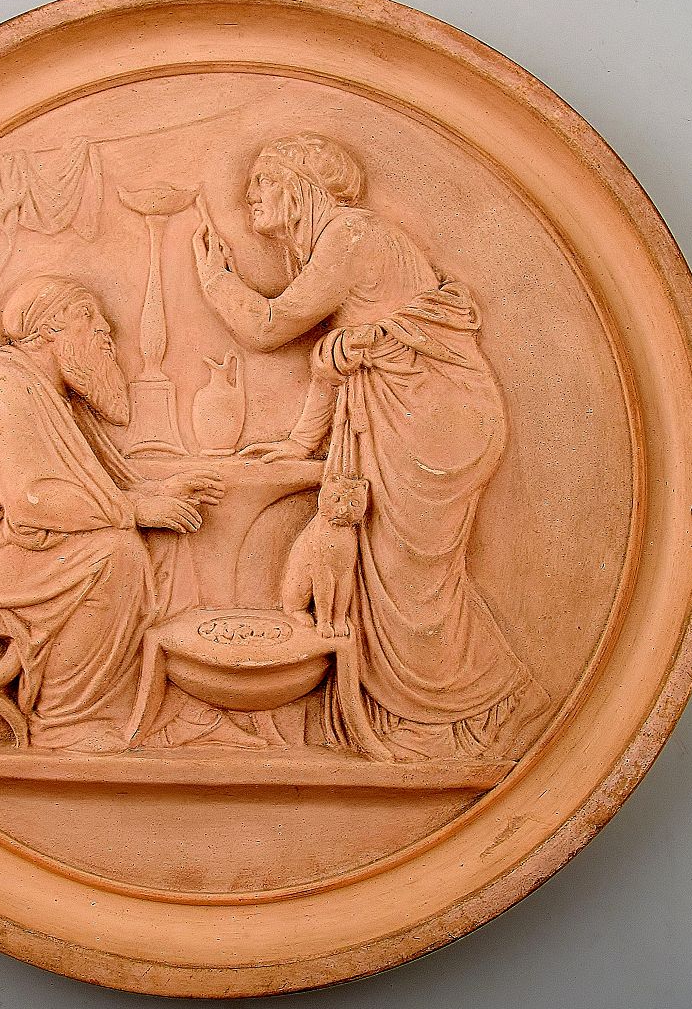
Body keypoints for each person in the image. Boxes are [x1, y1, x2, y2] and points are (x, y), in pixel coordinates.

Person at [192, 134, 554, 761]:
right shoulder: (348, 244)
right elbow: (339, 360)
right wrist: (298, 443)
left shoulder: (352, 236)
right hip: (413, 416)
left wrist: (216, 279)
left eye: (263, 182)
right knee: (392, 576)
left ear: (301, 187)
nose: (250, 196)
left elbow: (268, 328)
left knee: (409, 583)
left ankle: (472, 712)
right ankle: (430, 715)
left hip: (431, 424)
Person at [0, 275, 223, 752]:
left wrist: (157, 492)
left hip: (0, 540)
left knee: (162, 544)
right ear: (49, 330)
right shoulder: (2, 387)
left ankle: (166, 705)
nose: (106, 332)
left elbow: (86, 487)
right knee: (114, 557)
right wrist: (135, 508)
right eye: (89, 319)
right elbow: (34, 500)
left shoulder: (47, 393)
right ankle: (64, 720)